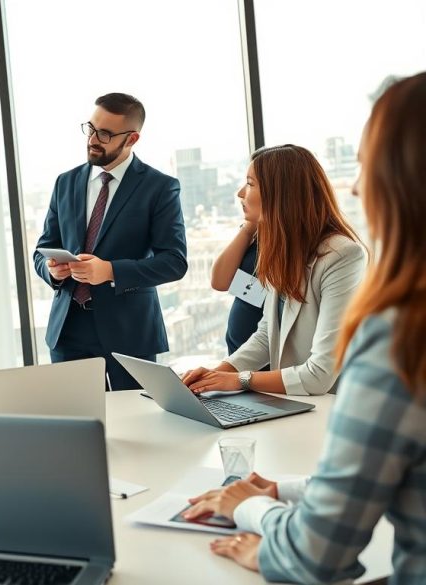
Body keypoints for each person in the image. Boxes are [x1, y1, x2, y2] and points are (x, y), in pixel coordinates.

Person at [181, 72, 426, 583]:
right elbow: (267, 337)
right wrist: (283, 490)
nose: (357, 186)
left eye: (366, 165)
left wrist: (247, 508)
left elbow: (315, 555)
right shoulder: (285, 251)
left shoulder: (402, 340)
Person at [33, 92, 187, 391]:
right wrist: (51, 270)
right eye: (90, 128)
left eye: (104, 134)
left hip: (130, 334)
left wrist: (110, 271)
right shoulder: (66, 182)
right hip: (68, 331)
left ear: (132, 139)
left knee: (136, 429)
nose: (92, 139)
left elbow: (174, 262)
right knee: (75, 430)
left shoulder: (160, 187)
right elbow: (42, 248)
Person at [183, 145, 364, 396]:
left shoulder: (343, 256)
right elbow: (267, 335)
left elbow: (319, 374)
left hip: (327, 409)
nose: (240, 193)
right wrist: (213, 375)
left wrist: (238, 380)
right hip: (291, 404)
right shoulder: (283, 248)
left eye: (250, 184)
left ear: (280, 194)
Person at [211, 220, 266, 356]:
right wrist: (248, 229)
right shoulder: (258, 232)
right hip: (241, 355)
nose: (240, 197)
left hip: (265, 357)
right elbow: (220, 281)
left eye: (247, 196)